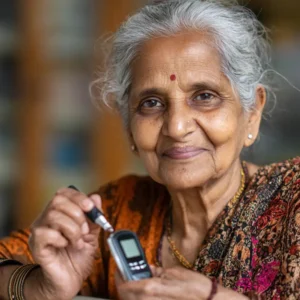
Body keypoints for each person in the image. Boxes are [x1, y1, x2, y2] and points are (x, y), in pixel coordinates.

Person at [0, 0, 299, 299]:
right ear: (130, 127)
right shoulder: (116, 214)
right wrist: (39, 285)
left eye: (204, 96)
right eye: (151, 103)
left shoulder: (292, 204)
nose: (177, 127)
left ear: (251, 113)